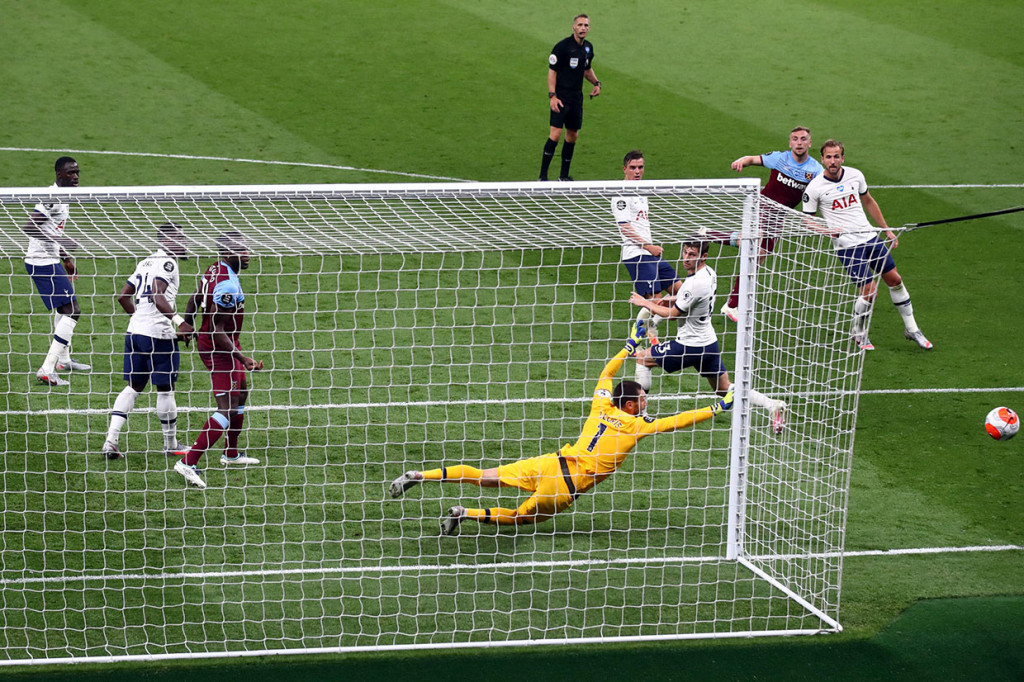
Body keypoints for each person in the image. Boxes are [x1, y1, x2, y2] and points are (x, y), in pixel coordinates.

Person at [389, 323, 734, 535]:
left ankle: (422, 475)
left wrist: (628, 347)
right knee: (523, 519)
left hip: (552, 461)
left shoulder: (602, 405)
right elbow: (676, 422)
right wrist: (715, 407)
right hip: (565, 486)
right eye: (642, 398)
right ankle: (465, 513)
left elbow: (605, 376)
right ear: (630, 405)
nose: (646, 401)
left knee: (485, 475)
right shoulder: (635, 425)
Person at [629, 238, 787, 433]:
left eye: (692, 255)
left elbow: (673, 315)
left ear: (703, 256)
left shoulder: (694, 283)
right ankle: (772, 404)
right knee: (723, 389)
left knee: (642, 360)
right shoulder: (708, 273)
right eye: (685, 252)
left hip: (689, 346)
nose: (686, 258)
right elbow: (688, 298)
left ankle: (640, 417)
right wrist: (671, 298)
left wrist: (645, 303)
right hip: (709, 344)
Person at [802, 140, 931, 351]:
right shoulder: (814, 188)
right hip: (847, 246)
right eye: (828, 157)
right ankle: (858, 332)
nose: (833, 161)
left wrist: (887, 230)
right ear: (822, 159)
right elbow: (807, 221)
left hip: (870, 238)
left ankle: (912, 328)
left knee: (895, 280)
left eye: (836, 156)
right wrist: (828, 231)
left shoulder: (856, 175)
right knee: (870, 292)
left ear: (843, 158)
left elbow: (869, 201)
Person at [172, 231, 263, 489]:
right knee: (226, 406)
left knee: (241, 393)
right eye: (240, 250)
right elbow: (215, 328)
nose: (246, 255)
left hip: (225, 343)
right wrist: (241, 357)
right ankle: (188, 462)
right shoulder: (227, 285)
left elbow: (195, 297)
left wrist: (187, 322)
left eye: (246, 249)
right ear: (226, 253)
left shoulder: (215, 269)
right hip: (218, 348)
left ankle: (231, 454)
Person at [102, 223, 195, 460]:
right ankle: (171, 443)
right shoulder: (168, 263)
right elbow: (156, 293)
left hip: (134, 333)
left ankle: (110, 440)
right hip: (159, 336)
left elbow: (123, 296)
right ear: (167, 240)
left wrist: (139, 319)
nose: (185, 243)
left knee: (133, 387)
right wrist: (179, 322)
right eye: (180, 238)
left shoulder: (144, 262)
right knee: (165, 389)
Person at [720, 127, 824, 322]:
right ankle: (732, 305)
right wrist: (741, 161)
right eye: (795, 139)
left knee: (755, 255)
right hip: (761, 207)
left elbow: (825, 189)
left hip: (778, 217)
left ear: (810, 143)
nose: (799, 142)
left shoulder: (816, 170)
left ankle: (710, 235)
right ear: (790, 143)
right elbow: (752, 159)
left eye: (803, 139)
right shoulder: (779, 158)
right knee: (754, 252)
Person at [23, 156, 91, 386]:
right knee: (72, 310)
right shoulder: (52, 198)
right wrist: (63, 244)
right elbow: (30, 226)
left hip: (50, 259)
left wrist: (66, 259)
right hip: (41, 261)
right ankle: (47, 368)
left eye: (77, 172)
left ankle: (63, 360)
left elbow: (55, 230)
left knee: (64, 309)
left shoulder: (65, 197)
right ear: (58, 174)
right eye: (71, 173)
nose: (76, 177)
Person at [612, 150, 682, 343]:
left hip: (651, 254)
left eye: (640, 167)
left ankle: (644, 326)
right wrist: (649, 246)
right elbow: (624, 227)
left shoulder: (642, 191)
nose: (637, 171)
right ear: (624, 168)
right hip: (637, 255)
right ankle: (648, 341)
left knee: (682, 292)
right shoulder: (620, 194)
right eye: (633, 167)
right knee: (655, 300)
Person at [539, 13, 601, 182]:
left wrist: (596, 83)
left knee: (572, 135)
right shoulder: (562, 47)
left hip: (576, 98)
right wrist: (552, 96)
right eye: (580, 25)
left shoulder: (588, 48)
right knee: (555, 134)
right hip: (561, 97)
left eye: (586, 25)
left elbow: (586, 69)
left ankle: (563, 176)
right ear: (573, 27)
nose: (583, 28)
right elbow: (552, 72)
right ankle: (543, 176)